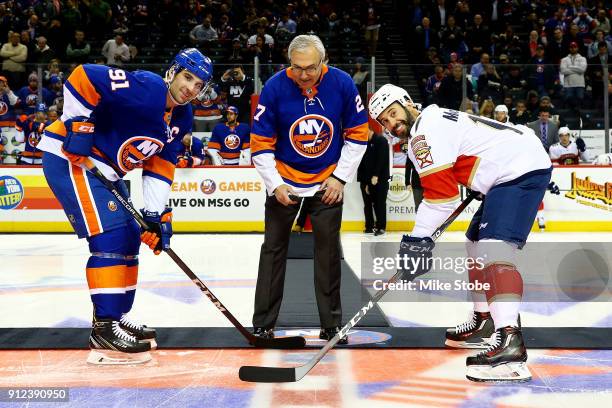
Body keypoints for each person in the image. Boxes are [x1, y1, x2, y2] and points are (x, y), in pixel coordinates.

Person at [36, 48, 212, 365]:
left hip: (106, 172)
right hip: (71, 160)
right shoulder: (148, 88)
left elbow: (160, 166)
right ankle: (103, 329)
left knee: (132, 235)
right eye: (188, 77)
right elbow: (83, 75)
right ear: (173, 71)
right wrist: (78, 124)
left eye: (199, 85)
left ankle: (115, 317)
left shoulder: (183, 117)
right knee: (112, 235)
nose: (191, 88)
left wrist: (155, 216)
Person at [369, 83, 552, 383]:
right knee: (474, 243)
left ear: (406, 102)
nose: (392, 123)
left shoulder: (424, 134)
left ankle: (511, 342)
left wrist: (416, 241)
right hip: (509, 167)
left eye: (392, 113)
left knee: (494, 250)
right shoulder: (432, 120)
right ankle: (484, 321)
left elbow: (442, 198)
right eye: (384, 121)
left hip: (520, 169)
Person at [250, 35, 368, 343]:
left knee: (328, 254)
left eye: (311, 68)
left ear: (323, 62)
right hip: (284, 181)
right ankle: (263, 323)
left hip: (327, 181)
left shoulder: (342, 83)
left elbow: (358, 133)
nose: (304, 75)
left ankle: (331, 325)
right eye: (297, 68)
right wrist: (274, 184)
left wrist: (340, 178)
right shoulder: (274, 87)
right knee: (273, 251)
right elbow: (260, 143)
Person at [357, 130, 390, 235]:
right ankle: (369, 226)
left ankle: (381, 227)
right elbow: (363, 163)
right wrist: (366, 182)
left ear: (368, 130)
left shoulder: (381, 141)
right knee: (367, 204)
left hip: (380, 179)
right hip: (366, 179)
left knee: (379, 203)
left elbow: (381, 159)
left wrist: (376, 175)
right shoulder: (364, 143)